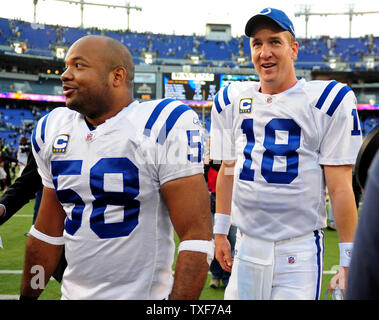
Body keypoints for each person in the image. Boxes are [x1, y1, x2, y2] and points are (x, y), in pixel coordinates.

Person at [20, 35, 213, 300]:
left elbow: (196, 237)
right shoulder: (53, 129)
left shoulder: (160, 125)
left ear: (117, 76)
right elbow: (46, 236)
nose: (65, 75)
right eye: (66, 66)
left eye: (78, 65)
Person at [210, 8, 362, 300]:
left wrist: (348, 259)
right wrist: (220, 231)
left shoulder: (325, 102)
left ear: (294, 49)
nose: (264, 52)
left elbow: (340, 187)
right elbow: (228, 169)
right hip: (246, 245)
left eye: (275, 42)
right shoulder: (231, 99)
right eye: (257, 43)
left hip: (298, 251)